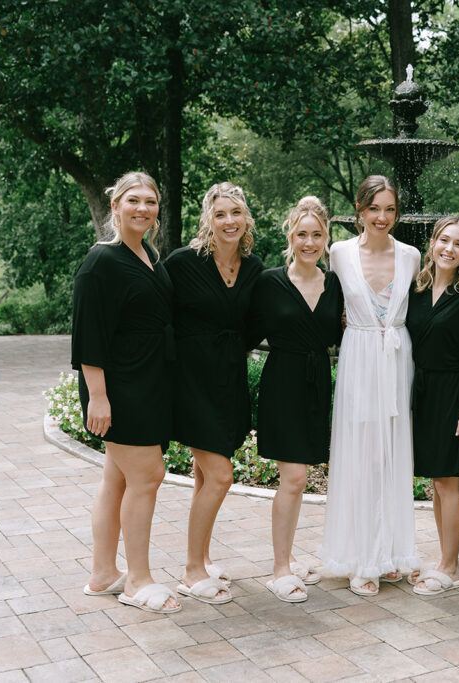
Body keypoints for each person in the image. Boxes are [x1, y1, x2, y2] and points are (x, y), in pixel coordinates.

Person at [73, 171, 181, 614]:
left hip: (149, 381)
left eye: (150, 201)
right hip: (119, 387)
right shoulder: (101, 262)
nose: (142, 208)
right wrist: (98, 397)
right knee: (148, 475)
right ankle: (137, 580)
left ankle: (103, 574)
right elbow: (87, 336)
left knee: (116, 477)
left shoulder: (147, 254)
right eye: (132, 200)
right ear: (115, 206)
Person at [320, 175, 421, 597]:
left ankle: (391, 552)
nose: (382, 217)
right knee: (361, 454)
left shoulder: (413, 255)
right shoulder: (339, 252)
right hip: (359, 358)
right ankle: (362, 558)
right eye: (374, 208)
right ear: (359, 211)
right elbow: (328, 302)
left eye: (390, 209)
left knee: (391, 454)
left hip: (396, 358)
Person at [164, 182, 263, 605]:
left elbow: (259, 322)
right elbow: (158, 317)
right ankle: (190, 571)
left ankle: (202, 558)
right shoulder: (183, 263)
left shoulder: (254, 267)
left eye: (236, 213)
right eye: (221, 214)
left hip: (229, 379)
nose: (229, 221)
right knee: (221, 475)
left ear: (246, 219)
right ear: (209, 217)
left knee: (205, 476)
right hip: (189, 382)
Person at [249, 196, 343, 603]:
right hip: (282, 383)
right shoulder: (269, 281)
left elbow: (344, 333)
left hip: (318, 383)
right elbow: (244, 330)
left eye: (316, 235)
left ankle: (287, 557)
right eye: (302, 234)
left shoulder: (335, 284)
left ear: (326, 238)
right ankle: (280, 568)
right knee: (295, 478)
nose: (309, 242)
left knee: (300, 480)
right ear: (290, 235)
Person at [405, 215, 459, 596]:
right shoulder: (417, 290)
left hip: (452, 393)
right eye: (444, 240)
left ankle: (450, 565)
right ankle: (444, 559)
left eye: (458, 244)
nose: (449, 249)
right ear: (433, 243)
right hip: (420, 389)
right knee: (436, 483)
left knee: (448, 480)